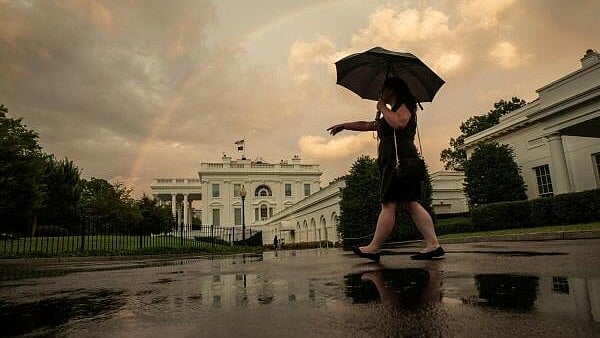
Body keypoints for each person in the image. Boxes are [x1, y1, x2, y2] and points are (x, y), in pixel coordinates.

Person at [327, 77, 444, 261]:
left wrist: (382, 107)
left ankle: (374, 247)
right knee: (410, 202)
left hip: (399, 162)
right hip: (393, 162)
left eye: (383, 89)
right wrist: (345, 125)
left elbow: (400, 123)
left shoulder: (404, 106)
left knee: (389, 203)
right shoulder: (390, 111)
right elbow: (370, 125)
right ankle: (433, 245)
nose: (379, 93)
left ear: (392, 90)